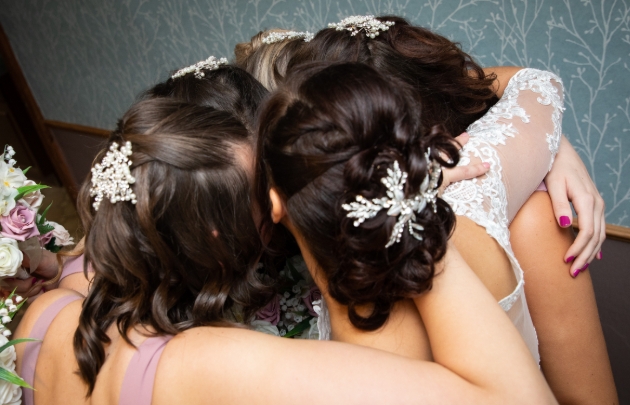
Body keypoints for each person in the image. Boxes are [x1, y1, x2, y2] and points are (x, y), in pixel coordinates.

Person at [14, 62, 556, 405]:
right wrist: (407, 206)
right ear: (216, 233)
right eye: (264, 187)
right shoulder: (209, 365)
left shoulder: (50, 310)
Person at [240, 17, 616, 402]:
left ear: (274, 201)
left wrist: (555, 150)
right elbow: (534, 92)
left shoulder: (273, 367)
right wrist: (550, 147)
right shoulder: (477, 198)